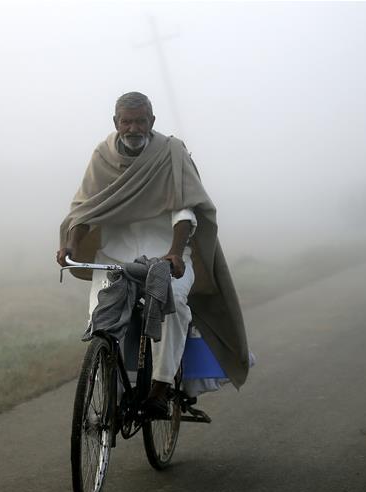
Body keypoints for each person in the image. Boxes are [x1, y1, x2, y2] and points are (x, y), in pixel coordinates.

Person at [57, 92, 249, 414]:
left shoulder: (171, 153)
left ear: (152, 121)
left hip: (166, 258)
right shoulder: (101, 158)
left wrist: (175, 252)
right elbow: (85, 211)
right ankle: (110, 393)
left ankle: (160, 390)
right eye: (127, 121)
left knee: (173, 307)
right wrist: (72, 246)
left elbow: (184, 212)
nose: (134, 128)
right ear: (116, 123)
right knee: (100, 320)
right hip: (114, 259)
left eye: (141, 121)